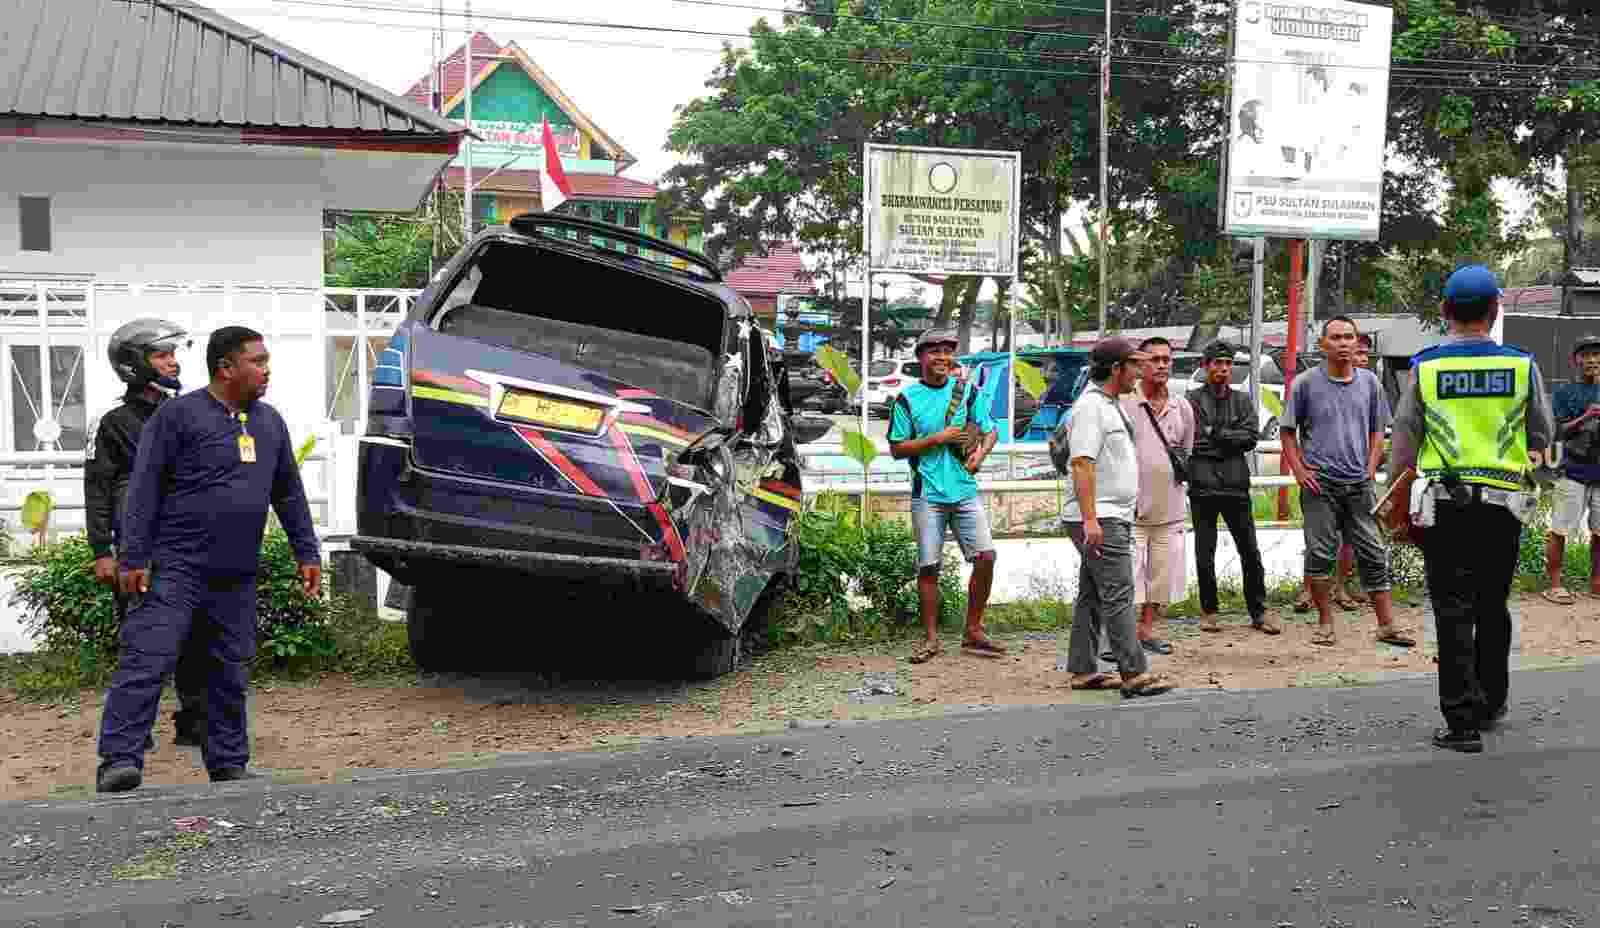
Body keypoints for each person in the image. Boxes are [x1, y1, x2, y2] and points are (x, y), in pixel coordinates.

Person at [94, 327, 322, 793]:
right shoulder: (178, 416)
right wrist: (133, 557)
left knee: (227, 669)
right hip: (175, 567)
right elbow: (144, 487)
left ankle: (228, 763)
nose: (267, 370)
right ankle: (119, 760)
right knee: (148, 658)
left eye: (266, 361)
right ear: (226, 368)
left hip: (234, 573)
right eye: (258, 361)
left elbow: (288, 492)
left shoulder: (269, 422)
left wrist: (306, 550)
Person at [1387, 264, 1553, 753]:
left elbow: (1404, 444)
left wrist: (1397, 507)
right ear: (1496, 310)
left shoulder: (1427, 367)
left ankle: (1461, 723)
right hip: (1503, 506)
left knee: (1452, 608)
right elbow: (1542, 434)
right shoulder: (1521, 366)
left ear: (1445, 311)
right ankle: (1492, 701)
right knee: (1492, 604)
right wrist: (1532, 476)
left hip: (1445, 506)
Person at [84, 319, 208, 750]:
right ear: (133, 364)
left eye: (173, 354)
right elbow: (98, 487)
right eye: (161, 355)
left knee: (197, 636)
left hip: (189, 546)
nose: (172, 362)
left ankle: (194, 722)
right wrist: (102, 550)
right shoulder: (112, 422)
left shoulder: (189, 413)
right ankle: (134, 730)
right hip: (139, 549)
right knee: (142, 641)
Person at [1281, 315, 1414, 648]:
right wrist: (1299, 470)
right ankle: (1325, 624)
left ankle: (1387, 625)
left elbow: (1378, 430)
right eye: (1336, 337)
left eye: (1348, 337)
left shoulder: (1370, 383)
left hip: (1358, 485)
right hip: (1320, 485)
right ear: (1323, 345)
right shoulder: (1305, 384)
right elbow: (1287, 431)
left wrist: (1370, 466)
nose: (1343, 343)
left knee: (1374, 553)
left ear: (1357, 343)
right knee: (1320, 554)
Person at [1058, 336, 1174, 698]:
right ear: (1115, 369)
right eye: (1134, 364)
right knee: (1119, 592)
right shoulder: (1091, 408)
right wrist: (1091, 520)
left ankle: (1083, 670)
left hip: (1109, 513)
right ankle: (1134, 672)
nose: (1140, 371)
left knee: (1093, 594)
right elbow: (1082, 463)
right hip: (1100, 516)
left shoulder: (1111, 405)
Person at [888, 329, 1006, 665]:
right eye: (934, 351)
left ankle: (973, 629)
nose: (942, 357)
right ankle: (930, 638)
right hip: (927, 492)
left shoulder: (966, 391)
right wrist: (937, 439)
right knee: (929, 566)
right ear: (920, 357)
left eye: (947, 351)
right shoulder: (907, 398)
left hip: (965, 489)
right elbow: (897, 448)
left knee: (986, 557)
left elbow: (990, 429)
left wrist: (980, 455)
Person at [1186, 341, 1275, 634]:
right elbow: (1192, 440)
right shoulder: (1191, 400)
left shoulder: (1242, 400)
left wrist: (1215, 433)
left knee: (1250, 550)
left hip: (1236, 486)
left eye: (1227, 363)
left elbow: (1250, 438)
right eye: (1217, 363)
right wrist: (1227, 438)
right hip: (1202, 486)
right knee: (1204, 552)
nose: (1223, 369)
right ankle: (1209, 611)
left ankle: (1259, 612)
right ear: (1206, 365)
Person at [1120, 336, 1195, 655]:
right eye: (1155, 359)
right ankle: (1122, 637)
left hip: (1170, 508)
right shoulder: (1124, 403)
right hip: (1131, 508)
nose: (1162, 365)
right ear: (1140, 363)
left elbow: (1186, 452)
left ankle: (1146, 630)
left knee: (1160, 576)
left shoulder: (1182, 407)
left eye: (1167, 359)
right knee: (1127, 576)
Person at [1543, 333, 1600, 604]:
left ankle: (1597, 583)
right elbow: (1556, 431)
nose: (1592, 360)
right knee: (1560, 529)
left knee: (1599, 532)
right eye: (1585, 355)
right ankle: (1555, 585)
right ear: (1575, 360)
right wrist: (1586, 417)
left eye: (1596, 354)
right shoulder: (1564, 392)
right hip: (1573, 470)